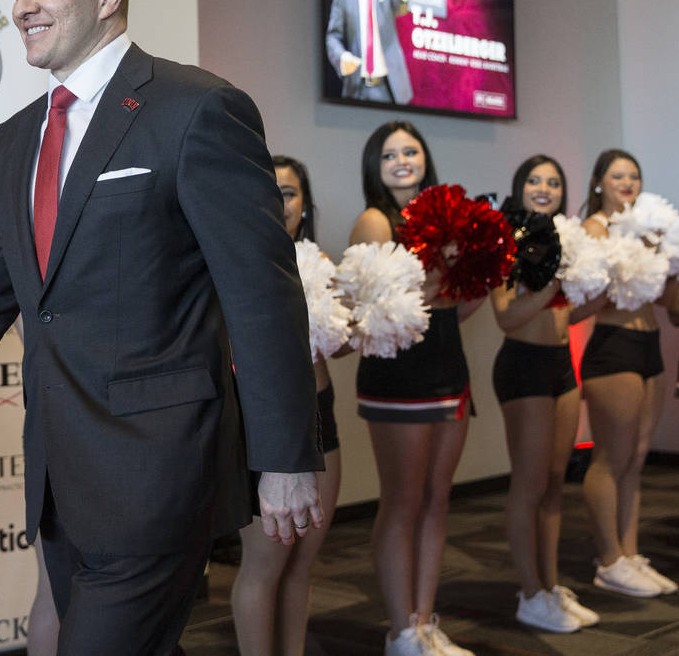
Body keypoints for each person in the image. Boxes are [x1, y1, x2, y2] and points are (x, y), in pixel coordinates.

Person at [0, 0, 323, 655]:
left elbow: (263, 294)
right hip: (57, 474)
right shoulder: (15, 137)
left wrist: (284, 456)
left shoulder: (197, 109)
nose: (21, 5)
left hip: (158, 469)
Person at [348, 121, 481, 656]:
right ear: (374, 167)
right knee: (403, 502)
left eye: (411, 150)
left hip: (449, 368)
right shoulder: (375, 222)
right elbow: (382, 312)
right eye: (388, 154)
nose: (402, 160)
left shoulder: (448, 221)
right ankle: (399, 630)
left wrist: (475, 272)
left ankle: (425, 621)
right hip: (398, 377)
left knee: (437, 501)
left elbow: (460, 309)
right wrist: (440, 276)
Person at [232, 156, 342, 656]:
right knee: (264, 566)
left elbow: (340, 343)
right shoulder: (232, 261)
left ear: (305, 203)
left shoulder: (320, 263)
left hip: (322, 410)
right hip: (263, 421)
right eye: (270, 189)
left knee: (302, 564)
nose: (281, 202)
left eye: (291, 192)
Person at [489, 155, 601, 632]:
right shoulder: (506, 239)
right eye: (534, 180)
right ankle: (529, 592)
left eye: (554, 182)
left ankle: (550, 587)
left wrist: (596, 284)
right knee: (530, 484)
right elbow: (506, 316)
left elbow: (567, 313)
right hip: (523, 368)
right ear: (520, 187)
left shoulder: (564, 238)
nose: (544, 187)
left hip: (561, 365)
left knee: (556, 483)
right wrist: (556, 278)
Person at [580, 149, 679, 597]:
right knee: (611, 457)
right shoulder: (595, 228)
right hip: (614, 348)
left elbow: (664, 300)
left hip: (649, 344)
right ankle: (608, 558)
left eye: (634, 175)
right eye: (618, 175)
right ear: (599, 182)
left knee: (637, 456)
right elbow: (594, 291)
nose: (627, 182)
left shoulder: (646, 227)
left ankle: (630, 553)